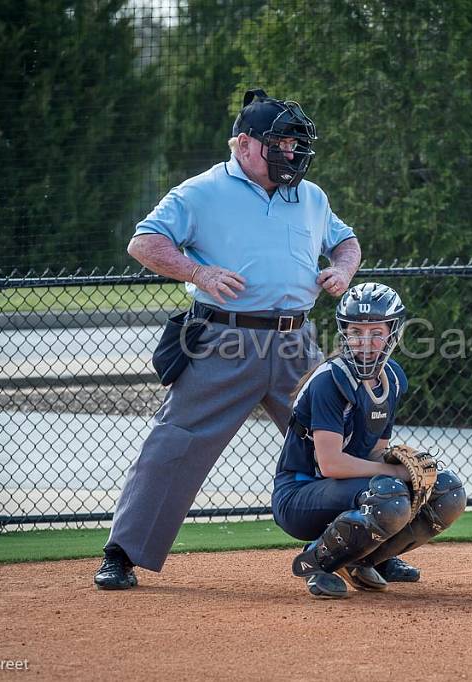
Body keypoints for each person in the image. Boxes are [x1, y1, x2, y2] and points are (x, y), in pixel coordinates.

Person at [94, 88, 363, 589]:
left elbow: (345, 241)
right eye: (279, 143)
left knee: (342, 440)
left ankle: (372, 546)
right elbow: (144, 242)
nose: (291, 153)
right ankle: (122, 554)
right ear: (243, 144)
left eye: (295, 144)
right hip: (225, 338)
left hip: (296, 344)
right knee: (174, 443)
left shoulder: (310, 195)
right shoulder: (201, 191)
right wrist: (197, 272)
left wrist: (342, 270)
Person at [271, 282, 468, 598]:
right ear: (344, 333)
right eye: (355, 332)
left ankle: (372, 558)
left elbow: (376, 452)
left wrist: (399, 465)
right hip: (299, 495)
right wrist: (396, 473)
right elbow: (331, 463)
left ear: (393, 333)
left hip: (345, 490)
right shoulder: (329, 381)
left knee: (447, 491)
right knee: (390, 494)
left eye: (376, 333)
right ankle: (317, 561)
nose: (365, 342)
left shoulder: (392, 378)